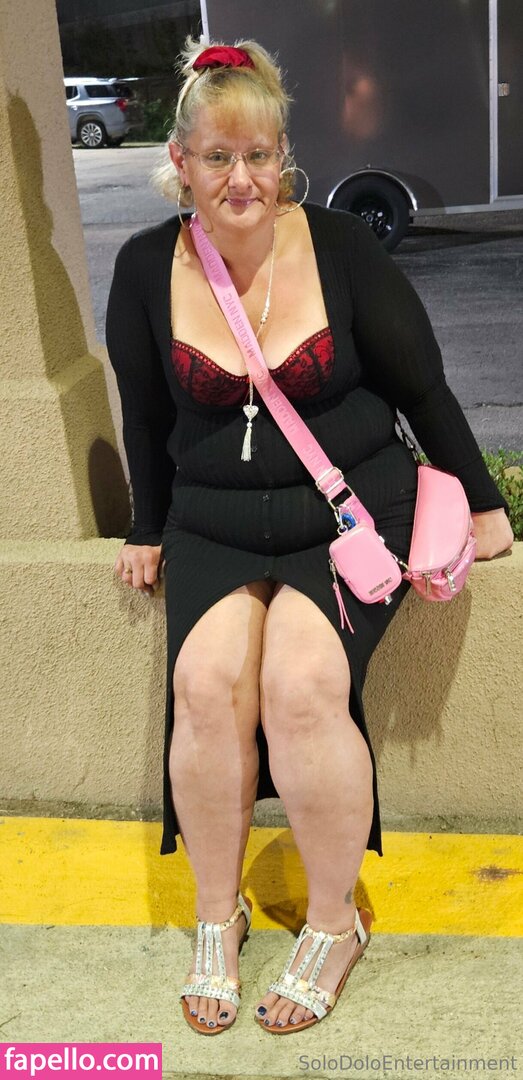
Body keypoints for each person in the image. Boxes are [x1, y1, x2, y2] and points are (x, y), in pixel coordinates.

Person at [105, 38, 513, 1037]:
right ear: (180, 160)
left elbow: (422, 386)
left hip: (348, 515)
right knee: (205, 689)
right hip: (212, 519)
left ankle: (334, 922)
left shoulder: (339, 246)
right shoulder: (144, 265)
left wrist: (484, 504)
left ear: (283, 155)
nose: (240, 179)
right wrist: (146, 525)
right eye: (217, 157)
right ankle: (217, 913)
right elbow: (145, 417)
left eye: (259, 155)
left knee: (300, 687)